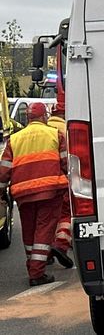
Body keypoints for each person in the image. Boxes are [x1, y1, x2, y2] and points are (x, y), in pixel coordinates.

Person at [0, 102, 69, 286]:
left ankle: (33, 264)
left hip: (23, 193)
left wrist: (0, 192)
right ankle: (37, 273)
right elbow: (65, 164)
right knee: (44, 230)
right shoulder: (55, 134)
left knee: (29, 232)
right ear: (44, 117)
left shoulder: (14, 139)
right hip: (49, 191)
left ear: (28, 118)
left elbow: (4, 170)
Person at [47, 103, 73, 267]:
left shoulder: (46, 128)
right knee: (65, 215)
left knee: (46, 220)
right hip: (61, 180)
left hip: (41, 183)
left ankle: (44, 253)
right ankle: (61, 244)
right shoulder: (65, 130)